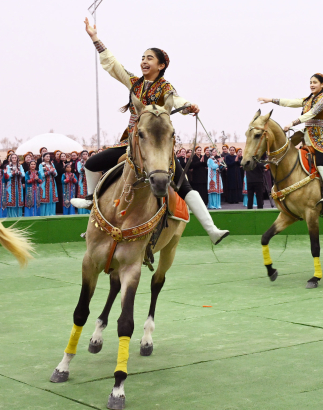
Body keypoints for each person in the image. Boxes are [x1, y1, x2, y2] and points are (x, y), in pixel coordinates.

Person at [71, 19, 228, 244]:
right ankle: (91, 201)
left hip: (158, 146)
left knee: (183, 185)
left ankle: (212, 229)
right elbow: (113, 65)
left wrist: (188, 106)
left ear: (161, 65)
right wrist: (95, 38)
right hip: (133, 142)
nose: (144, 61)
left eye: (149, 58)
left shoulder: (166, 88)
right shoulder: (134, 83)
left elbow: (178, 100)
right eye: (143, 58)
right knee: (91, 164)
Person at [259, 72, 323, 206]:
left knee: (320, 162)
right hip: (306, 136)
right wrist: (271, 100)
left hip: (319, 138)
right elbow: (291, 102)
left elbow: (311, 114)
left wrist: (292, 123)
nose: (312, 85)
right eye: (310, 82)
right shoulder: (308, 99)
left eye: (315, 82)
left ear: (322, 84)